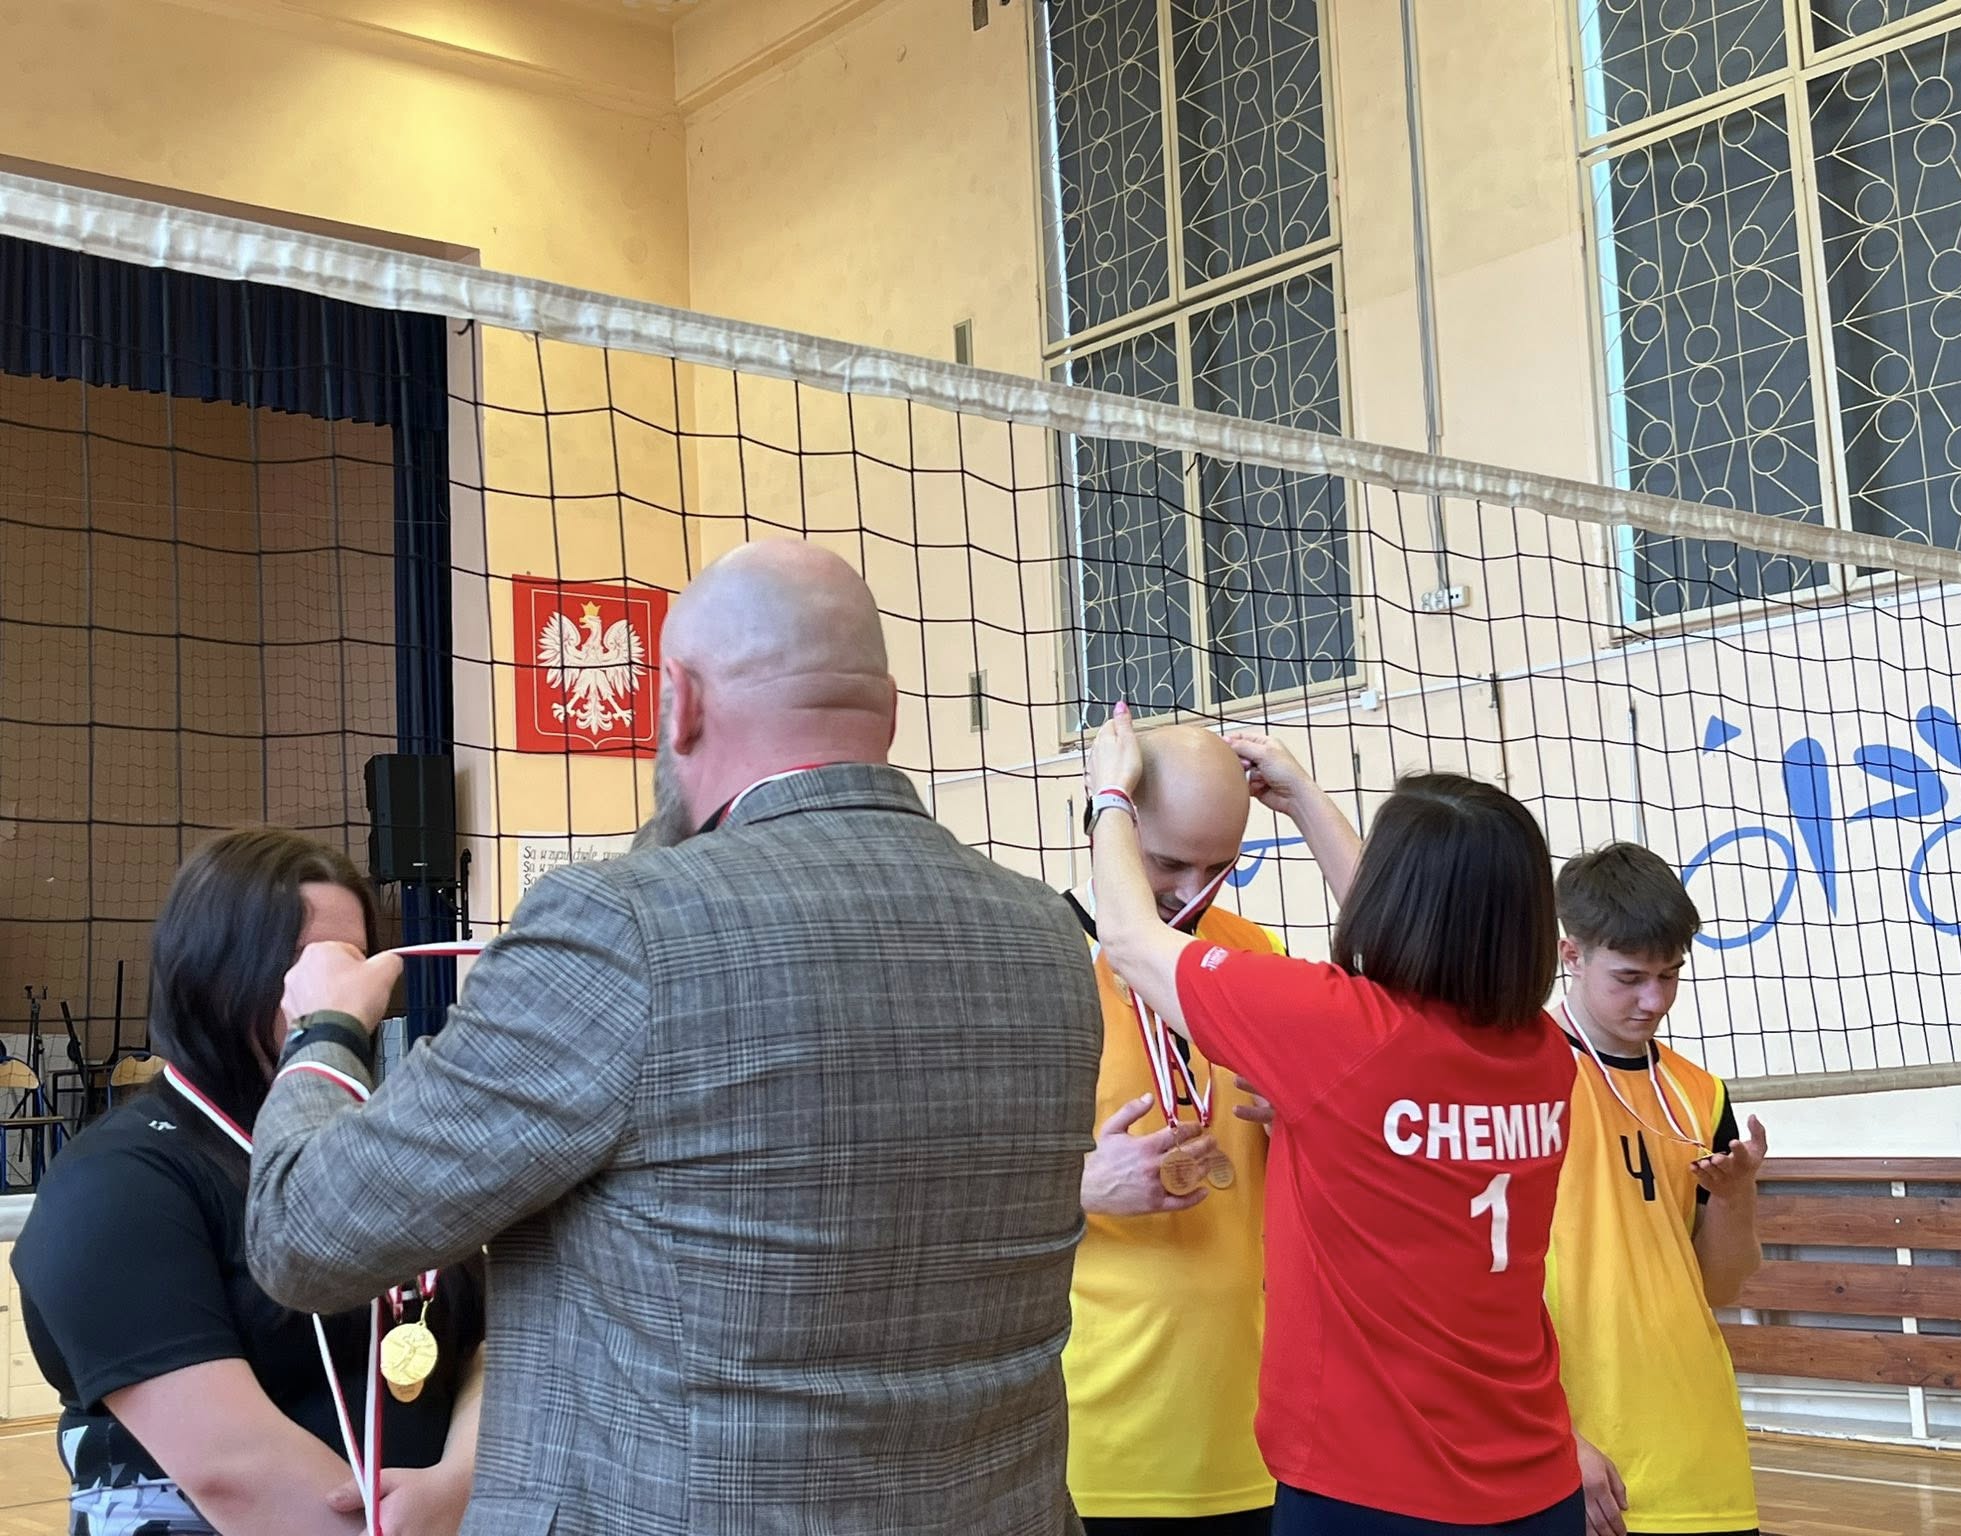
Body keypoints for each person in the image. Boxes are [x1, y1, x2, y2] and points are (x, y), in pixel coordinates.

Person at [241, 540, 1104, 1536]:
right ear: (890, 713)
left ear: (679, 702)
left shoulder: (617, 930)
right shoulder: (1047, 934)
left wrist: (323, 1029)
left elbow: (303, 1236)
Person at [1088, 710, 1584, 1536]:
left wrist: (1108, 794)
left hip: (1370, 1492)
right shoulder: (1546, 1055)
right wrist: (1305, 798)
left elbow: (1133, 941)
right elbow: (1424, 954)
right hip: (1536, 1482)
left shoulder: (1338, 1032)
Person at [10, 829, 485, 1536]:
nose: (330, 986)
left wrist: (461, 1486)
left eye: (349, 959)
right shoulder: (117, 1180)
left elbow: (484, 1344)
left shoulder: (384, 1147)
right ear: (210, 971)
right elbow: (234, 1471)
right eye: (300, 961)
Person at [1063, 724, 1277, 1534]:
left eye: (1216, 868)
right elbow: (934, 1195)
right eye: (1165, 863)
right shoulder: (1041, 962)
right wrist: (1080, 1185)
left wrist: (1302, 1124)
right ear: (1107, 824)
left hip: (1257, 1439)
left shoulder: (1254, 954)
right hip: (1104, 1447)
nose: (1192, 891)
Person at [1545, 844, 1766, 1536]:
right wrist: (1553, 1436)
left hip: (1699, 1448)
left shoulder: (1701, 1093)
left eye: (1670, 975)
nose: (1654, 1000)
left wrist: (1734, 1196)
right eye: (1630, 977)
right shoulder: (1513, 1073)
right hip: (1578, 1450)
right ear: (1572, 955)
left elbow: (1720, 1286)